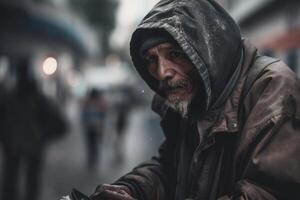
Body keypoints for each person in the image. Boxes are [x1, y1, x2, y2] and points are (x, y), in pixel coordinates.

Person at [89, 0, 300, 199]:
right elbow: (171, 168)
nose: (162, 72)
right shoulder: (191, 97)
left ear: (210, 52)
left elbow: (269, 192)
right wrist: (131, 189)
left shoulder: (272, 89)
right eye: (151, 60)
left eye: (175, 54)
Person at [0, 57, 68, 200]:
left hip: (16, 143)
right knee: (29, 180)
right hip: (30, 143)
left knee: (13, 179)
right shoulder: (36, 97)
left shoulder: (10, 97)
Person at [81, 88, 107, 169]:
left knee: (91, 144)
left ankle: (92, 159)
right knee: (95, 143)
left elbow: (84, 116)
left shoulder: (88, 103)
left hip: (91, 127)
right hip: (96, 127)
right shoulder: (98, 103)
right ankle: (94, 159)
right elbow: (103, 115)